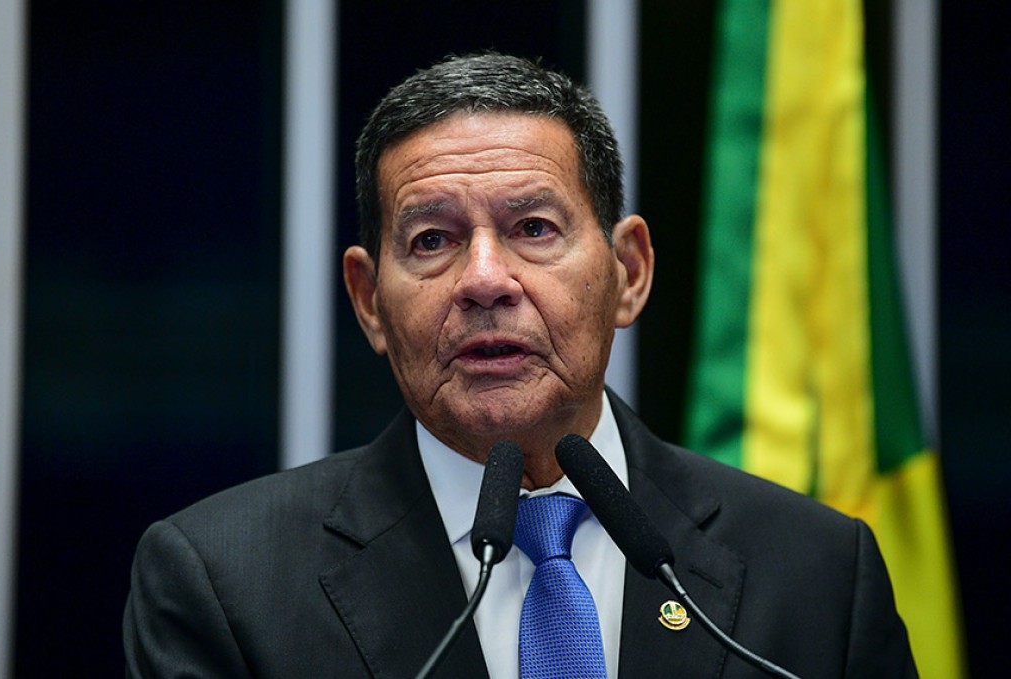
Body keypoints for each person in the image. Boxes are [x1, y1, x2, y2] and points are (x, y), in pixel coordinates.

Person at [123, 53, 916, 678]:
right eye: (432, 240)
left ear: (629, 271)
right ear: (369, 301)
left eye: (534, 227)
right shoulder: (226, 584)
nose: (484, 279)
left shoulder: (816, 573)